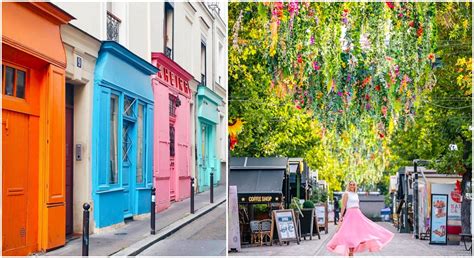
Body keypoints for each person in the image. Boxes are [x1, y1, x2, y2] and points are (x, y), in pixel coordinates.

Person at [326, 181, 394, 256]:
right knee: (348, 232)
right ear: (348, 185)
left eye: (353, 184)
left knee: (363, 229)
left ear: (355, 186)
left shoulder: (356, 194)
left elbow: (357, 205)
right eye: (350, 184)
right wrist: (341, 216)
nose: (352, 186)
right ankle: (350, 252)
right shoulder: (346, 194)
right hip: (350, 214)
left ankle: (353, 250)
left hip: (357, 213)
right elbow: (343, 206)